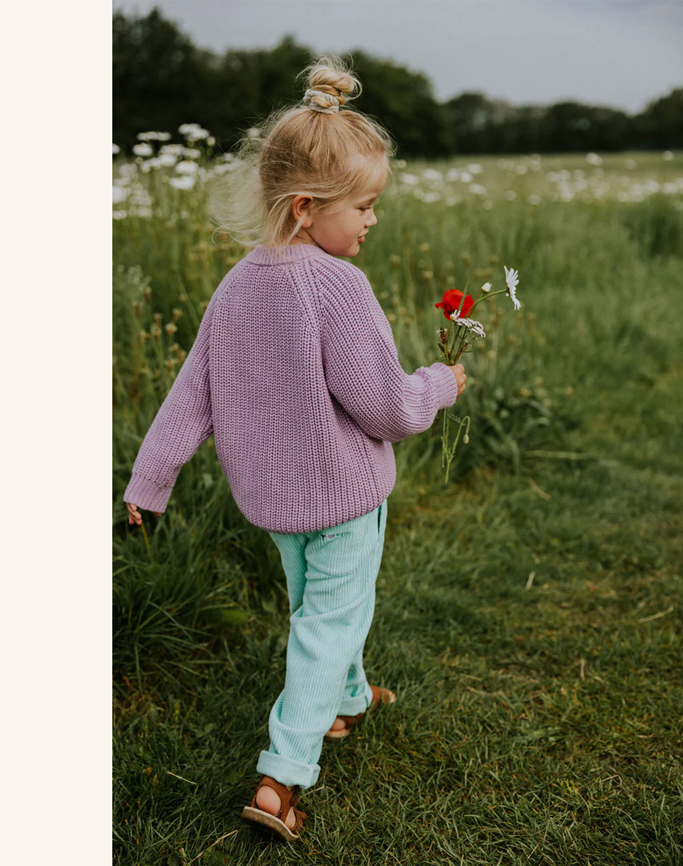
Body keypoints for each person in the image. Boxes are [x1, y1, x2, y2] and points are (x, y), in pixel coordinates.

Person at [122, 56, 467, 844]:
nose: (373, 222)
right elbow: (386, 407)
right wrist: (439, 384)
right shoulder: (338, 286)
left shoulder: (236, 285)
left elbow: (190, 395)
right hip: (344, 497)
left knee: (323, 611)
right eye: (364, 207)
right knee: (328, 622)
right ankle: (282, 776)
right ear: (307, 208)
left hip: (275, 504)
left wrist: (149, 481)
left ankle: (345, 702)